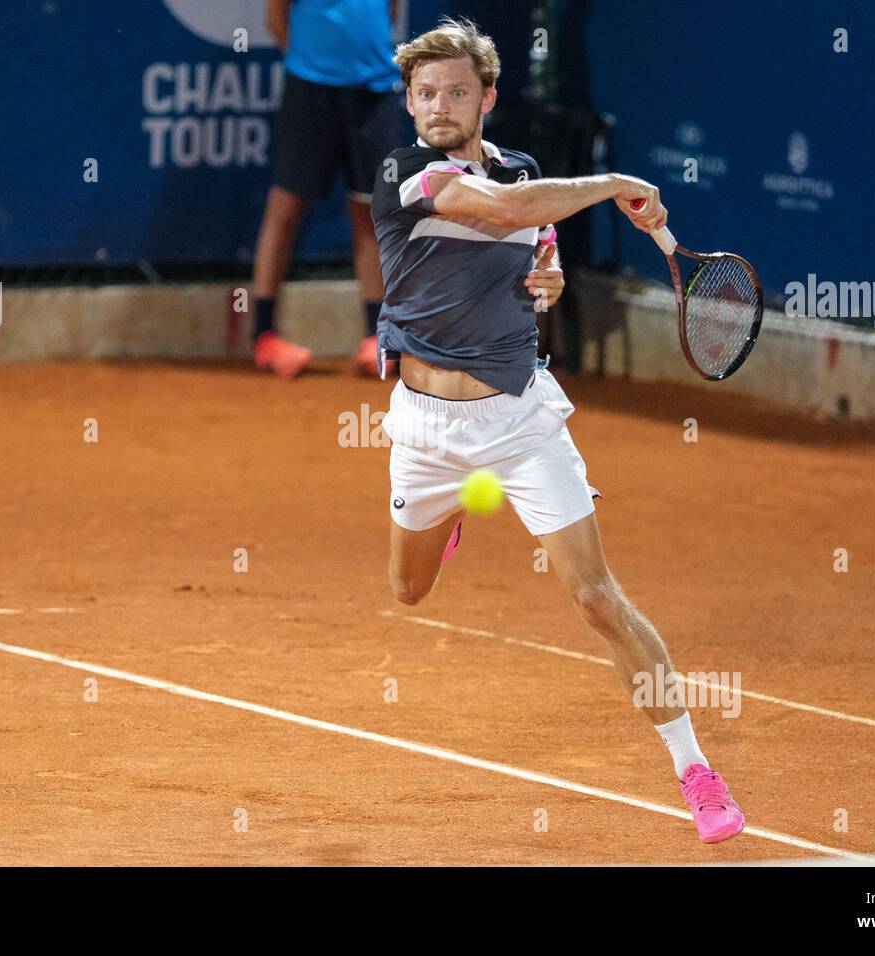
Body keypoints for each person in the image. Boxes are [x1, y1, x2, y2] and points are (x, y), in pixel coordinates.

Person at [373, 18, 745, 844]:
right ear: (409, 102)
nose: (440, 106)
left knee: (594, 596)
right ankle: (457, 511)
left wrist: (546, 278)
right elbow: (501, 211)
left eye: (457, 92)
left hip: (519, 417)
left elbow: (535, 247)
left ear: (488, 97)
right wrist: (613, 181)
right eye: (426, 93)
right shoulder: (404, 172)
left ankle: (695, 769)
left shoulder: (526, 172)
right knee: (408, 591)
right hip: (425, 426)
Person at [254, 0, 405, 378]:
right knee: (285, 209)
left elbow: (391, 11)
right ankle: (264, 336)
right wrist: (314, 66)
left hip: (375, 91)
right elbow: (276, 18)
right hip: (309, 90)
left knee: (370, 212)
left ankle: (377, 339)